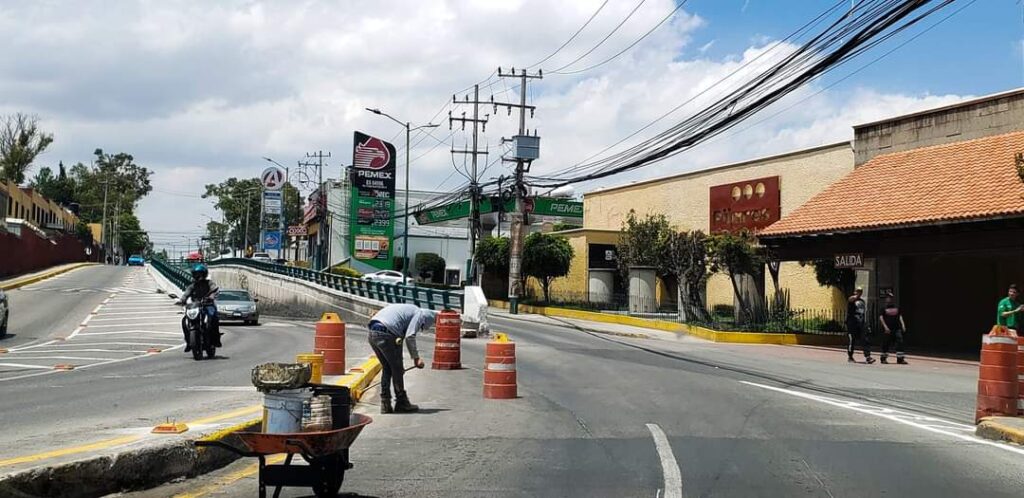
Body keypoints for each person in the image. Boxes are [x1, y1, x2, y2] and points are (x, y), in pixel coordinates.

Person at [367, 303, 435, 414]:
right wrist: (416, 358)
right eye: (421, 326)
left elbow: (400, 338)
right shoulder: (420, 314)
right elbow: (410, 336)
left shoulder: (407, 311)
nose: (419, 328)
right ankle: (401, 402)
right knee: (396, 370)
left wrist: (399, 363)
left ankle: (385, 403)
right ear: (425, 320)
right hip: (386, 333)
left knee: (387, 368)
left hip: (372, 332)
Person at [175, 263, 221, 352]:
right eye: (196, 274)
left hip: (208, 305)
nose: (198, 276)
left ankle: (216, 340)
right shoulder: (192, 285)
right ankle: (188, 342)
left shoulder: (209, 283)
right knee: (184, 321)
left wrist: (211, 296)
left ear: (204, 274)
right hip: (195, 306)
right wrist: (182, 300)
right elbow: (186, 294)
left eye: (200, 274)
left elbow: (215, 290)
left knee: (213, 319)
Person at [846, 287, 874, 364]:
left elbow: (863, 313)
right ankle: (850, 356)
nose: (859, 293)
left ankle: (868, 357)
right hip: (852, 324)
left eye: (860, 291)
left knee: (865, 339)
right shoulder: (852, 300)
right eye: (857, 291)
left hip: (861, 324)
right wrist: (856, 296)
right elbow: (850, 299)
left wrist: (866, 324)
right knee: (852, 340)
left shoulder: (862, 302)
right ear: (855, 292)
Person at [878, 292, 907, 365]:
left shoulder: (896, 308)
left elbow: (900, 316)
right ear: (886, 299)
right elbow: (881, 318)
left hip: (896, 328)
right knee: (886, 343)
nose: (889, 299)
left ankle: (900, 359)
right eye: (888, 297)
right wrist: (885, 327)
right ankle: (883, 358)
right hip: (888, 329)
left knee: (900, 341)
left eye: (891, 297)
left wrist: (903, 325)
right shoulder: (883, 308)